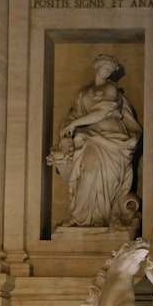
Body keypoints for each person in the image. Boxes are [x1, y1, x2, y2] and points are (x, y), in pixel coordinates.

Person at [47, 54, 142, 228]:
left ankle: (101, 218)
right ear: (97, 66)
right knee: (88, 174)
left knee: (104, 179)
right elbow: (75, 113)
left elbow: (102, 112)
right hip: (89, 139)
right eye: (105, 67)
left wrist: (75, 123)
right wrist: (67, 128)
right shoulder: (83, 92)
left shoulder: (111, 89)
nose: (108, 71)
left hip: (112, 140)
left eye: (110, 69)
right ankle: (80, 217)